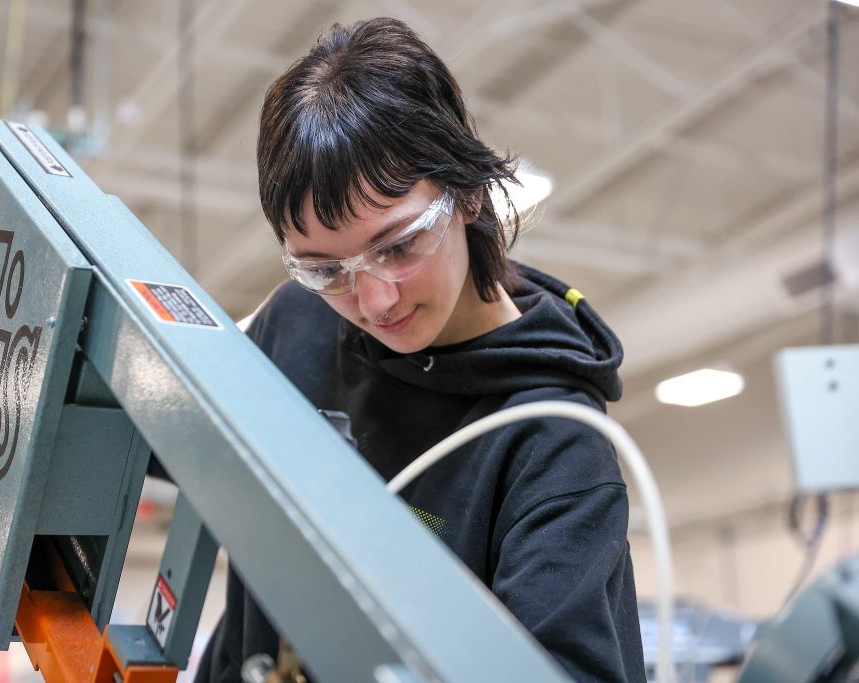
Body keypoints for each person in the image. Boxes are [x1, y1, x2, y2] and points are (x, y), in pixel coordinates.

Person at [195, 17, 646, 683]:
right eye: (326, 270)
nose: (374, 301)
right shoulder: (298, 326)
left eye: (399, 246)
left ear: (467, 190)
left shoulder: (553, 445)